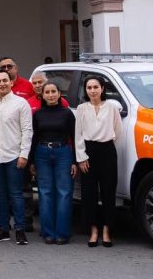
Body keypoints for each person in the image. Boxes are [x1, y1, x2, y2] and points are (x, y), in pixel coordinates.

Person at [75, 75, 123, 248]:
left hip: (107, 151)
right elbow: (78, 134)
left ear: (102, 89)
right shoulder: (81, 108)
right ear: (86, 90)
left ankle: (107, 230)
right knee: (89, 194)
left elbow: (118, 131)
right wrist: (81, 157)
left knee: (108, 193)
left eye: (96, 87)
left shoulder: (111, 107)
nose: (93, 90)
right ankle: (93, 230)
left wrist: (107, 147)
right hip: (88, 152)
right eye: (89, 87)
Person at [0, 68, 32, 245]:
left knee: (16, 194)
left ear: (11, 82)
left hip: (15, 155)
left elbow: (27, 130)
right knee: (1, 194)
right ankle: (3, 228)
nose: (2, 84)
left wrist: (24, 154)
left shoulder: (21, 103)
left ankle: (20, 229)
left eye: (4, 80)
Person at [31, 81, 76, 245]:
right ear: (42, 95)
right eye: (47, 92)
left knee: (64, 193)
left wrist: (75, 161)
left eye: (53, 91)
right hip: (42, 153)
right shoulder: (38, 114)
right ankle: (48, 232)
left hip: (63, 153)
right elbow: (34, 137)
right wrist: (31, 161)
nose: (50, 95)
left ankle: (62, 233)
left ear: (59, 94)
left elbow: (75, 137)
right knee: (45, 193)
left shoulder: (67, 113)